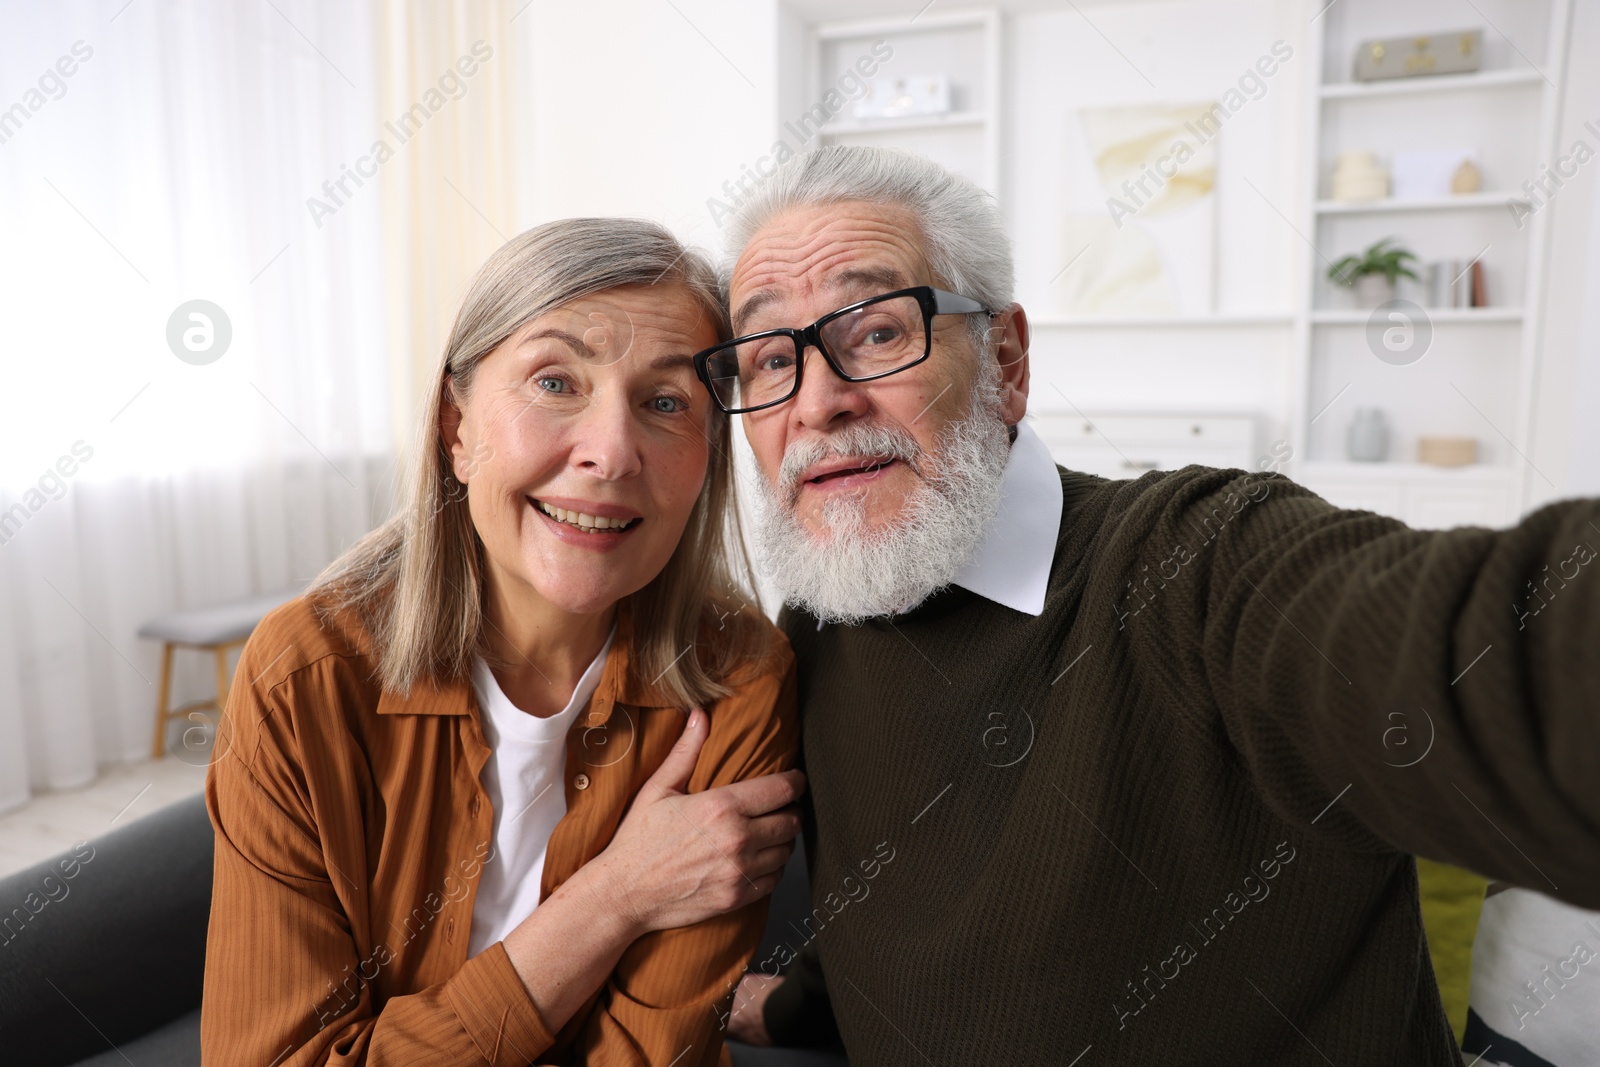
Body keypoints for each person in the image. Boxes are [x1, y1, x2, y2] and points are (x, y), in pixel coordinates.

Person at [709, 145, 1600, 1064]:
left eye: (880, 333)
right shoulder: (816, 626)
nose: (818, 402)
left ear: (1005, 362)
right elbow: (888, 923)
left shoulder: (1199, 557)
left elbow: (1487, 656)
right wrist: (784, 1008)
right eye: (772, 358)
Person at [201, 217, 805, 1066]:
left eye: (666, 402)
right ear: (457, 428)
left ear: (708, 453)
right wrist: (615, 896)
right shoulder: (304, 674)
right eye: (556, 382)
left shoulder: (738, 678)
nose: (610, 452)